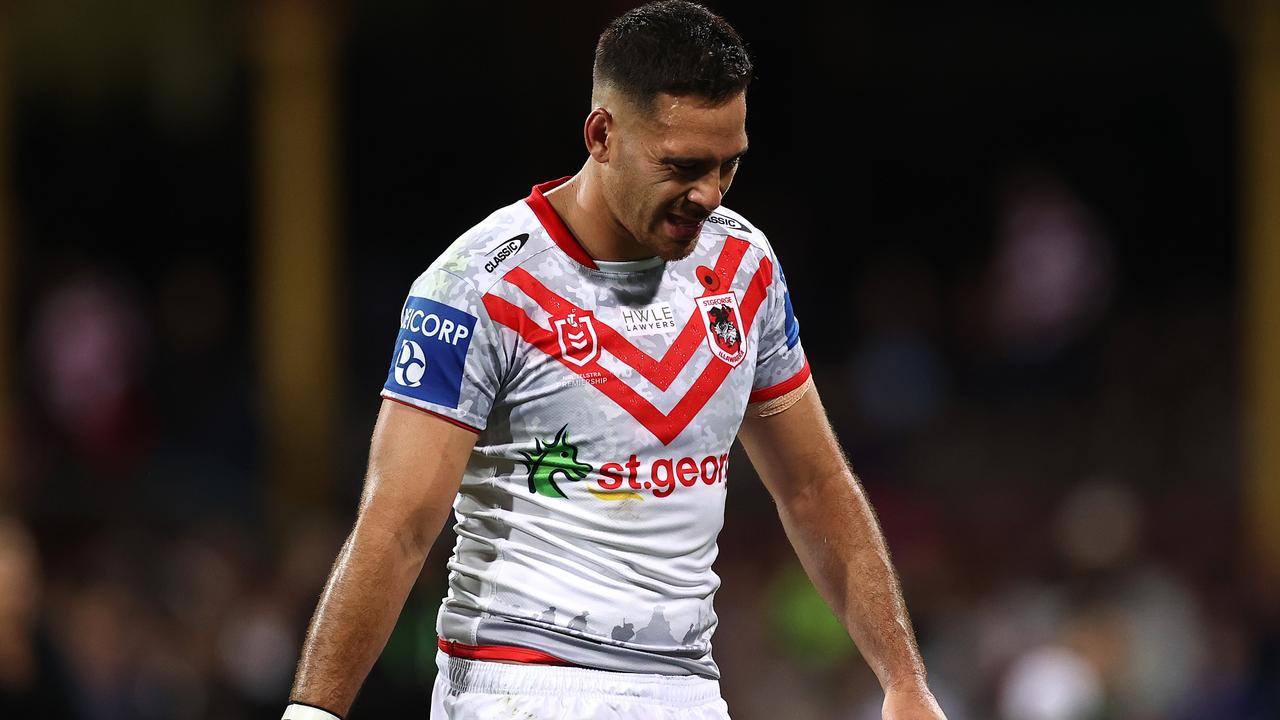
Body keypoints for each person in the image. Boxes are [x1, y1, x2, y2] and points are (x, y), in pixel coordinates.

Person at [281, 2, 946, 718]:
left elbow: (815, 488)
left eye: (729, 165)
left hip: (687, 690)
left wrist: (905, 682)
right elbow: (400, 522)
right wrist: (314, 711)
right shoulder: (477, 285)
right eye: (683, 166)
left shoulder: (743, 265)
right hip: (516, 687)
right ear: (602, 134)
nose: (709, 194)